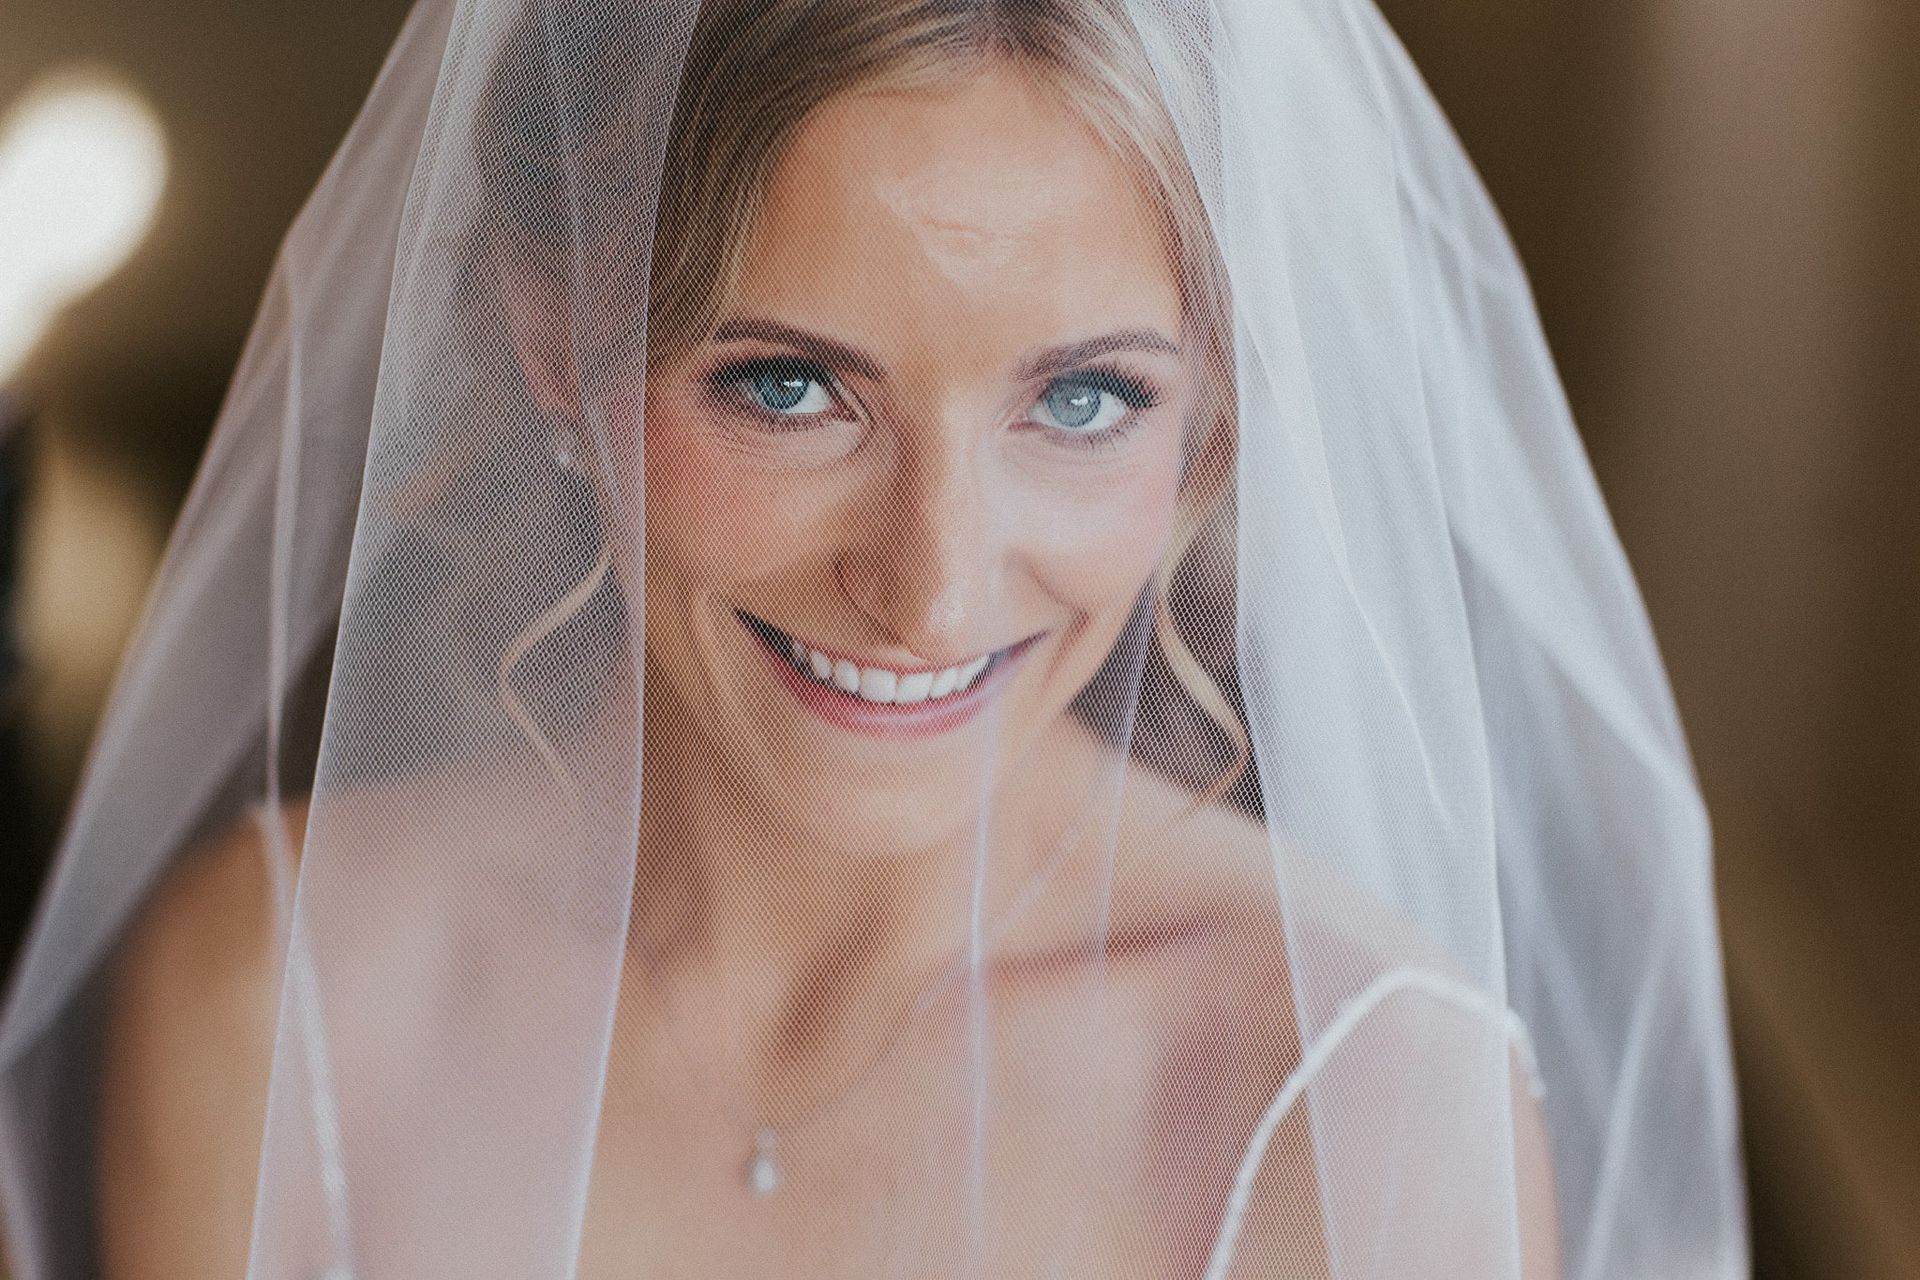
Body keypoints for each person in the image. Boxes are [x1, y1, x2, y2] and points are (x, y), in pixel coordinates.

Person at [0, 1, 1749, 1277]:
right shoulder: (274, 998)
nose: (929, 589)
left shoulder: (1365, 1112)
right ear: (553, 339)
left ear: (1214, 413)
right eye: (789, 385)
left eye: (1080, 399)